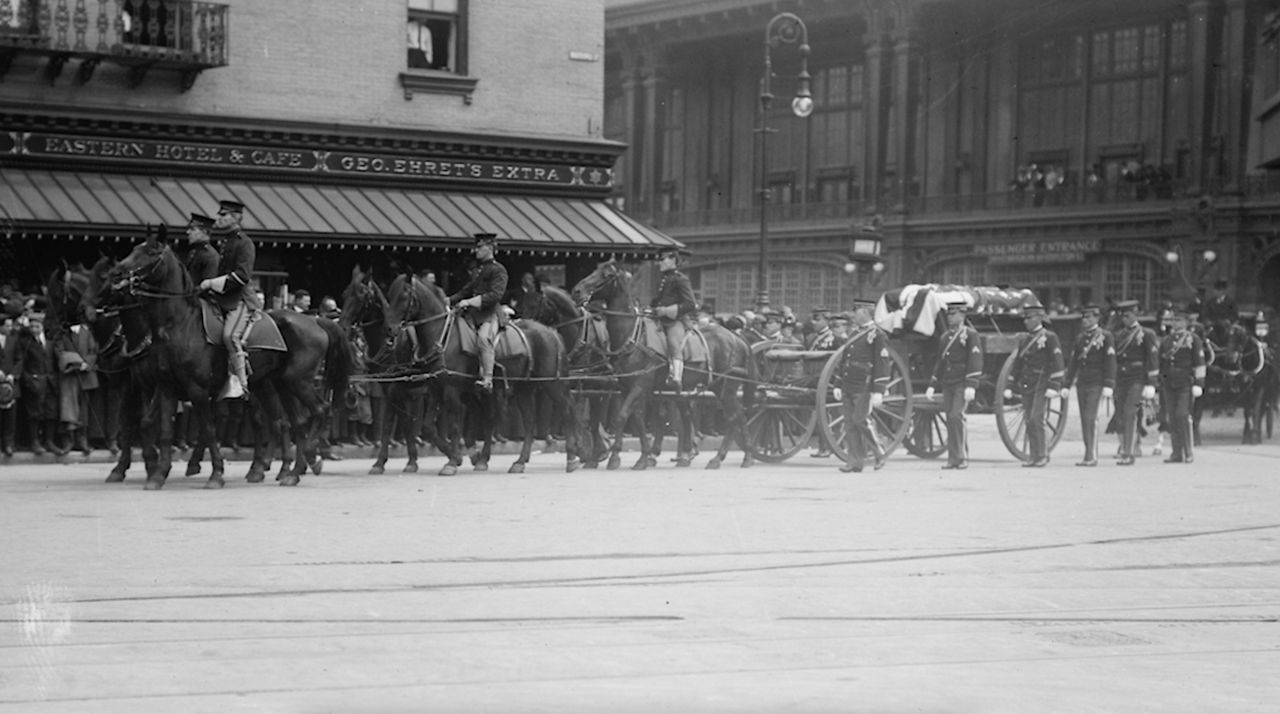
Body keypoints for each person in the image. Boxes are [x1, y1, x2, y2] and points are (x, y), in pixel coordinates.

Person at [198, 199, 259, 400]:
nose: (220, 218)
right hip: (223, 299)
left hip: (241, 300)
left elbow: (242, 276)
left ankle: (242, 384)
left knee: (230, 336)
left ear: (235, 218)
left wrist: (210, 283)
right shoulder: (227, 242)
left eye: (224, 215)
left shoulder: (245, 243)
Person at [924, 301, 983, 470]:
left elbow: (975, 359)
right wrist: (932, 384)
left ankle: (962, 456)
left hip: (962, 383)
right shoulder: (945, 338)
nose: (950, 317)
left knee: (957, 416)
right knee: (950, 419)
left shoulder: (971, 335)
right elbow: (940, 363)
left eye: (953, 314)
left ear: (962, 315)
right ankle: (952, 459)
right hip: (948, 383)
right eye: (949, 314)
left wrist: (972, 384)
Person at [1005, 303, 1064, 467]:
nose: (1026, 321)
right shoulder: (1024, 340)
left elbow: (1057, 362)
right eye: (1025, 318)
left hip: (1042, 383)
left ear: (1039, 318)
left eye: (1029, 318)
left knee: (1036, 418)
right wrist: (1009, 385)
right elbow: (1017, 364)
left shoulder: (1050, 337)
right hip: (1027, 383)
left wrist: (1054, 385)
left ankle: (1043, 454)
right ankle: (1033, 455)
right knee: (1029, 420)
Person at [449, 233, 508, 391]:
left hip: (489, 315)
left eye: (479, 247)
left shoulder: (498, 270)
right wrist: (448, 300)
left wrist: (469, 302)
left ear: (489, 248)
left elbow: (495, 295)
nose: (476, 250)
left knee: (483, 339)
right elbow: (466, 290)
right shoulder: (479, 270)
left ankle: (488, 379)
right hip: (472, 316)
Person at [835, 302, 890, 473]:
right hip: (848, 382)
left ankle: (879, 451)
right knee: (850, 423)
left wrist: (879, 389)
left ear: (865, 312)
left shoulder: (878, 335)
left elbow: (882, 362)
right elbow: (844, 360)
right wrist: (838, 383)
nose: (854, 315)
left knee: (861, 419)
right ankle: (855, 462)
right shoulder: (855, 333)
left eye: (856, 311)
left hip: (863, 384)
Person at [1061, 303, 1116, 467]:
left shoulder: (1106, 337)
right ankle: (1088, 453)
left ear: (1097, 318)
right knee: (1085, 419)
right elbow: (1073, 364)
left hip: (1097, 382)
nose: (1085, 320)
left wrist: (1109, 384)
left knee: (1091, 418)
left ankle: (1092, 455)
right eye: (1084, 317)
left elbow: (1110, 361)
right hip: (1082, 382)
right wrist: (1066, 384)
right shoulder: (1080, 338)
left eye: (1089, 317)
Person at [1111, 299, 1159, 465]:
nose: (1125, 319)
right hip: (1121, 379)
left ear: (1136, 314)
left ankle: (1129, 453)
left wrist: (1151, 384)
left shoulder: (1147, 334)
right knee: (1120, 414)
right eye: (1123, 316)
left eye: (1129, 315)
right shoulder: (1118, 335)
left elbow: (1152, 360)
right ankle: (1125, 447)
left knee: (1130, 412)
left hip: (1137, 378)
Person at [1158, 306, 1206, 464]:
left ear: (1186, 322)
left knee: (1182, 415)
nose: (1175, 323)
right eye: (1174, 320)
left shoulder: (1193, 339)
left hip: (1185, 382)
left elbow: (1199, 363)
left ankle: (1188, 451)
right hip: (1169, 382)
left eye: (1179, 320)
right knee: (1172, 417)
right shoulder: (1166, 340)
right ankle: (1176, 452)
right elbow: (1161, 362)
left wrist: (1199, 382)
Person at [647, 246, 696, 387]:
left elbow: (690, 304)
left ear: (673, 260)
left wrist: (667, 311)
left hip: (675, 320)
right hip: (658, 320)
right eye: (659, 259)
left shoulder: (681, 280)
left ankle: (676, 377)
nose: (659, 262)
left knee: (673, 343)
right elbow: (658, 300)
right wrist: (651, 308)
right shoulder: (663, 279)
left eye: (663, 259)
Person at [15, 310, 60, 455]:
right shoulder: (25, 342)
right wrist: (28, 380)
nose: (34, 329)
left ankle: (49, 441)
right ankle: (35, 442)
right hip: (34, 382)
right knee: (34, 413)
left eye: (37, 326)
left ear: (42, 327)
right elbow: (22, 362)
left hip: (50, 381)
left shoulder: (50, 342)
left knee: (51, 412)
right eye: (32, 326)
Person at [183, 213, 220, 283]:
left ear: (204, 232)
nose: (188, 232)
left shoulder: (211, 256)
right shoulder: (193, 252)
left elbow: (208, 286)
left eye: (192, 229)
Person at [1200, 279, 1238, 346]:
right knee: (1206, 334)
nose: (1215, 292)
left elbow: (1234, 315)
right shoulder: (1210, 303)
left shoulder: (1231, 303)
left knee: (1230, 335)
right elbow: (1205, 314)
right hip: (1212, 326)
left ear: (1223, 291)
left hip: (1226, 327)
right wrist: (1207, 321)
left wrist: (1228, 321)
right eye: (1215, 290)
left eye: (1218, 290)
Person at [0, 314, 18, 457]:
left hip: (10, 383)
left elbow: (20, 359)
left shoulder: (14, 340)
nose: (10, 328)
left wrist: (13, 374)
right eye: (7, 325)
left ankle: (8, 444)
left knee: (10, 417)